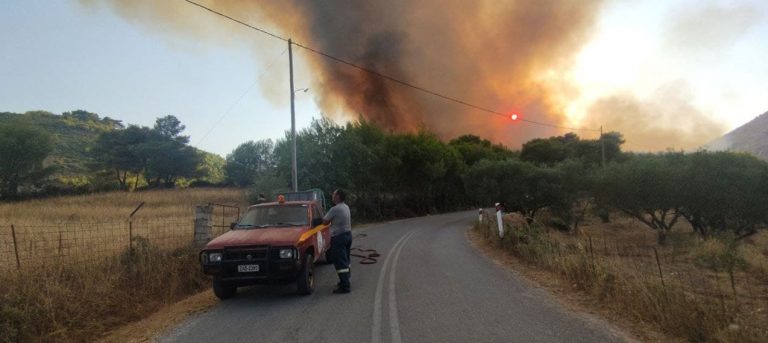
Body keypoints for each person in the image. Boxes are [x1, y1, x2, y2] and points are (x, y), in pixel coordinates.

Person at [323, 188, 352, 294]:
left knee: (340, 261)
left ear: (338, 197)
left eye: (334, 194)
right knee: (346, 260)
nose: (332, 195)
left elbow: (325, 221)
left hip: (339, 237)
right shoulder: (346, 207)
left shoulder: (335, 209)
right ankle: (345, 279)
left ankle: (345, 286)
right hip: (348, 235)